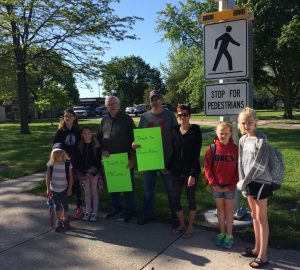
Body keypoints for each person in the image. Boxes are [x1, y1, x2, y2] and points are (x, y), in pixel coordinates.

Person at [133, 90, 178, 227]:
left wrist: (172, 159)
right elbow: (139, 137)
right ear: (150, 101)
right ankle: (148, 214)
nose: (155, 101)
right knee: (148, 190)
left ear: (162, 100)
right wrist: (135, 144)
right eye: (153, 99)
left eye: (158, 98)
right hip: (149, 159)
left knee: (171, 190)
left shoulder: (169, 115)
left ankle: (175, 216)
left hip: (166, 159)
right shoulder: (144, 117)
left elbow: (176, 136)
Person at [237, 107, 272, 268]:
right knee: (254, 216)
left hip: (261, 183)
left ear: (255, 122)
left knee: (262, 217)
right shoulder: (242, 140)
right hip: (248, 183)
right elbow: (240, 163)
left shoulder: (262, 140)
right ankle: (257, 248)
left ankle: (263, 256)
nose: (246, 125)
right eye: (243, 123)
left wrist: (244, 182)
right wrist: (243, 182)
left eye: (250, 122)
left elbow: (259, 165)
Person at [97, 96, 136, 223]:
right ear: (106, 106)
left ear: (119, 105)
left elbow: (135, 139)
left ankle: (129, 211)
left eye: (114, 104)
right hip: (110, 159)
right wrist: (102, 149)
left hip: (124, 158)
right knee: (114, 187)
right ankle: (116, 208)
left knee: (127, 187)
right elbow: (99, 139)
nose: (112, 106)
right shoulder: (104, 120)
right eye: (109, 104)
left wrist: (132, 157)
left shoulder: (127, 119)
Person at [169, 104, 202, 238]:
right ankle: (182, 224)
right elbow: (174, 152)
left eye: (185, 114)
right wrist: (167, 166)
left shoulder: (195, 130)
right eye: (180, 115)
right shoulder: (174, 130)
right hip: (176, 171)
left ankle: (190, 227)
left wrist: (193, 174)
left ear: (189, 115)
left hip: (190, 172)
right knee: (174, 199)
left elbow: (196, 154)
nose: (182, 117)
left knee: (191, 200)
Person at [204, 122, 238, 249]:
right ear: (216, 133)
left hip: (230, 186)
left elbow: (238, 170)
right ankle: (221, 233)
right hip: (216, 186)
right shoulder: (212, 148)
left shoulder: (235, 149)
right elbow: (207, 168)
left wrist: (232, 185)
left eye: (226, 133)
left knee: (229, 211)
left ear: (230, 134)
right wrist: (214, 183)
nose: (223, 136)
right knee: (220, 210)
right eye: (220, 133)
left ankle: (229, 235)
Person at [53, 108, 83, 219]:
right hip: (63, 161)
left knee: (76, 184)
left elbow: (82, 145)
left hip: (75, 161)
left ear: (74, 117)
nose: (68, 118)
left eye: (70, 116)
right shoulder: (60, 132)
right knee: (63, 185)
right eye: (66, 116)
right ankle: (63, 210)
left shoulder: (78, 131)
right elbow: (55, 146)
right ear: (63, 118)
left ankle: (79, 207)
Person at [74, 126, 103, 222]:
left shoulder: (96, 145)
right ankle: (88, 211)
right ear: (82, 135)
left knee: (94, 192)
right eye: (85, 133)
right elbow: (78, 161)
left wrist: (92, 172)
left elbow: (98, 161)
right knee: (87, 193)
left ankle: (95, 212)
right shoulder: (79, 146)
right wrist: (84, 173)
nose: (87, 135)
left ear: (91, 134)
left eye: (88, 133)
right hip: (83, 174)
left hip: (94, 173)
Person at [46, 143, 73, 232]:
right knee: (57, 206)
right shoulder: (51, 164)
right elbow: (48, 177)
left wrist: (69, 189)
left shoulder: (67, 163)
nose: (58, 154)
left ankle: (65, 220)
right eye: (56, 152)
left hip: (64, 189)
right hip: (54, 189)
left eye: (60, 152)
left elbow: (71, 177)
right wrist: (48, 189)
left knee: (65, 206)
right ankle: (59, 221)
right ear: (53, 153)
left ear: (63, 153)